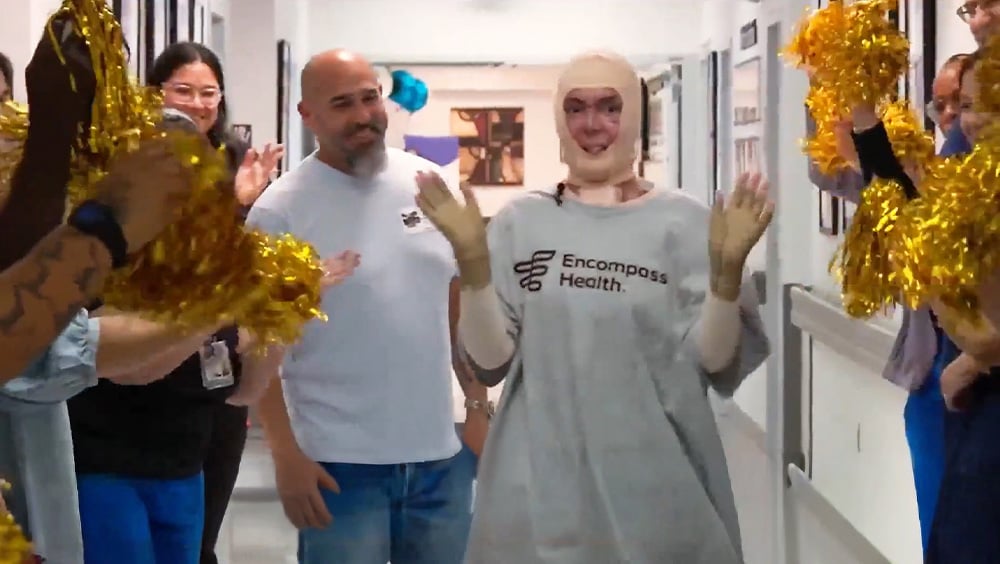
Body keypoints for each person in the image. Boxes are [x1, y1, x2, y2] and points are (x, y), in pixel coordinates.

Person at [414, 50, 772, 563]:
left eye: (610, 107)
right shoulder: (522, 223)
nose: (592, 124)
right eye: (576, 108)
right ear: (560, 120)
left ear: (636, 121)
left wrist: (727, 277)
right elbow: (490, 363)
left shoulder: (688, 223)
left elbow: (714, 363)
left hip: (659, 495)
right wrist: (473, 263)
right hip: (541, 497)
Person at [246, 48, 485, 564]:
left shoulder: (429, 185)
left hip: (441, 459)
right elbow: (259, 340)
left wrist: (478, 405)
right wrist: (284, 455)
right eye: (341, 104)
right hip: (338, 467)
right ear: (307, 115)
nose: (362, 116)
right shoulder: (278, 211)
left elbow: (453, 302)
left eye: (369, 98)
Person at [64, 42, 285, 564]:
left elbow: (245, 378)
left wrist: (285, 307)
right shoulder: (101, 227)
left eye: (208, 92)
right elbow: (124, 359)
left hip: (193, 424)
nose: (198, 102)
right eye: (183, 90)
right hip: (112, 440)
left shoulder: (230, 171)